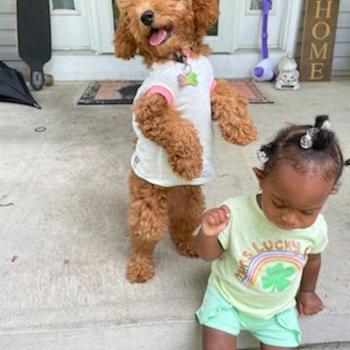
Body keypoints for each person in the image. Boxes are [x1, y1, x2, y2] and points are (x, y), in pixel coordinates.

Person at [194, 115, 349, 350]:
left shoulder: (317, 228)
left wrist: (307, 292)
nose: (290, 218)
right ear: (261, 178)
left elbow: (313, 260)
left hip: (277, 312)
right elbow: (208, 256)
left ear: (328, 197)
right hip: (227, 301)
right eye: (279, 203)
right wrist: (208, 233)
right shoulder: (235, 212)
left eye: (307, 211)